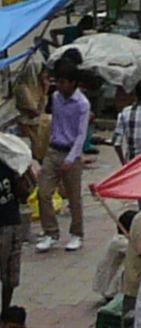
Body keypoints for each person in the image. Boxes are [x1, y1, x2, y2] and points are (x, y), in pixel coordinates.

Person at [34, 68, 87, 252]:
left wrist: (72, 158)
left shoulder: (82, 104)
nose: (60, 85)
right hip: (53, 150)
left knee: (73, 197)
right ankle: (50, 232)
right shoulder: (55, 97)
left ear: (73, 83)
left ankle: (77, 233)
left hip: (71, 153)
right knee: (43, 193)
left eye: (63, 82)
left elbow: (81, 135)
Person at [0, 140, 24, 310]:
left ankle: (5, 312)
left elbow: (24, 194)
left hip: (11, 223)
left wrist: (20, 176)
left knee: (10, 276)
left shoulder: (8, 162)